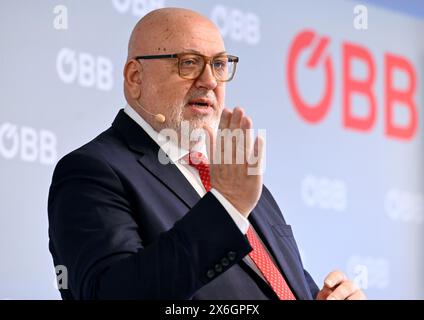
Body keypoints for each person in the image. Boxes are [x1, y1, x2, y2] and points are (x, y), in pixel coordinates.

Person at [48, 7, 366, 300]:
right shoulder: (92, 172)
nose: (210, 81)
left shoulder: (238, 182)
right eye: (189, 63)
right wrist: (227, 207)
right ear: (135, 78)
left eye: (218, 64)